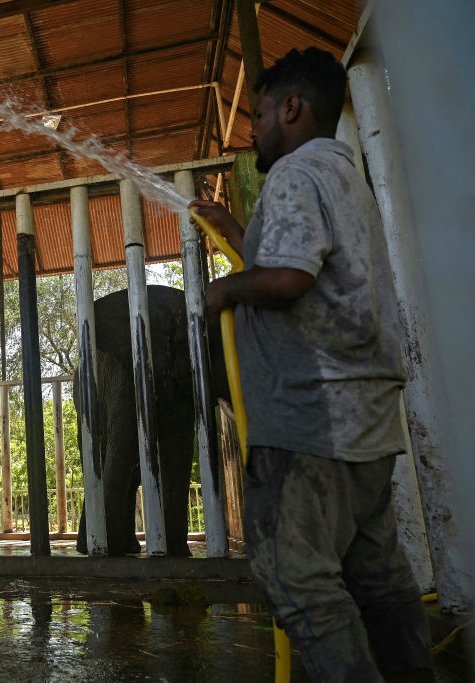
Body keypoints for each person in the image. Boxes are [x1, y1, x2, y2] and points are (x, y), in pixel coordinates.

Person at [189, 47, 434, 682]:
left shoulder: (293, 177)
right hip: (367, 425)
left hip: (312, 418)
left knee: (294, 576)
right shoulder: (343, 174)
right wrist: (237, 231)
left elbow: (291, 277)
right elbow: (301, 262)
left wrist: (228, 289)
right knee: (377, 580)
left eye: (260, 112)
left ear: (292, 108)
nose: (253, 128)